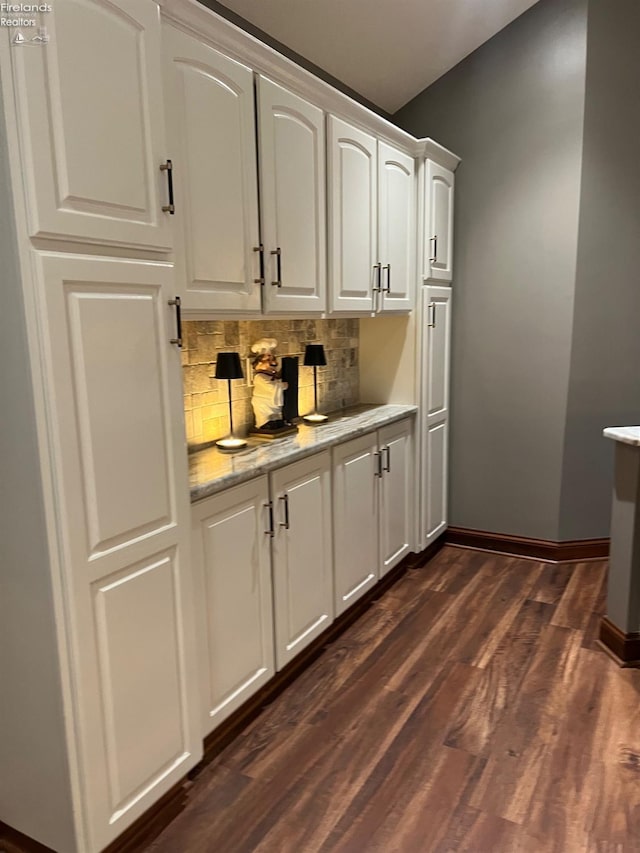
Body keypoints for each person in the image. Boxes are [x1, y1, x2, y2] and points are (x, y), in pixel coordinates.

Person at [250, 338, 289, 430]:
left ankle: (277, 422)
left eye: (273, 360)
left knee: (276, 415)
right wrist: (282, 386)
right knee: (265, 416)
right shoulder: (259, 377)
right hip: (263, 402)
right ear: (260, 363)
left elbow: (276, 379)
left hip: (272, 401)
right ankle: (264, 424)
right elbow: (270, 386)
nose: (272, 363)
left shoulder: (271, 374)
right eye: (268, 360)